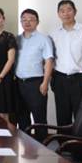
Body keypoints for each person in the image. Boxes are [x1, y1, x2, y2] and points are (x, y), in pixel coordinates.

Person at [50, 0, 82, 126]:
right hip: (59, 80)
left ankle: (80, 140)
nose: (66, 13)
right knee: (62, 116)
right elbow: (51, 59)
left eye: (69, 10)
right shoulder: (54, 34)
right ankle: (63, 140)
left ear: (75, 12)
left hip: (80, 80)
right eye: (62, 11)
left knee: (81, 115)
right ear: (58, 14)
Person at [15, 9, 54, 141]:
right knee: (22, 117)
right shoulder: (17, 39)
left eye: (31, 19)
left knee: (39, 118)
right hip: (19, 83)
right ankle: (24, 146)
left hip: (36, 83)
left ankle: (42, 147)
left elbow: (49, 61)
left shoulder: (43, 39)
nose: (27, 22)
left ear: (37, 22)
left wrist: (45, 82)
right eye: (24, 19)